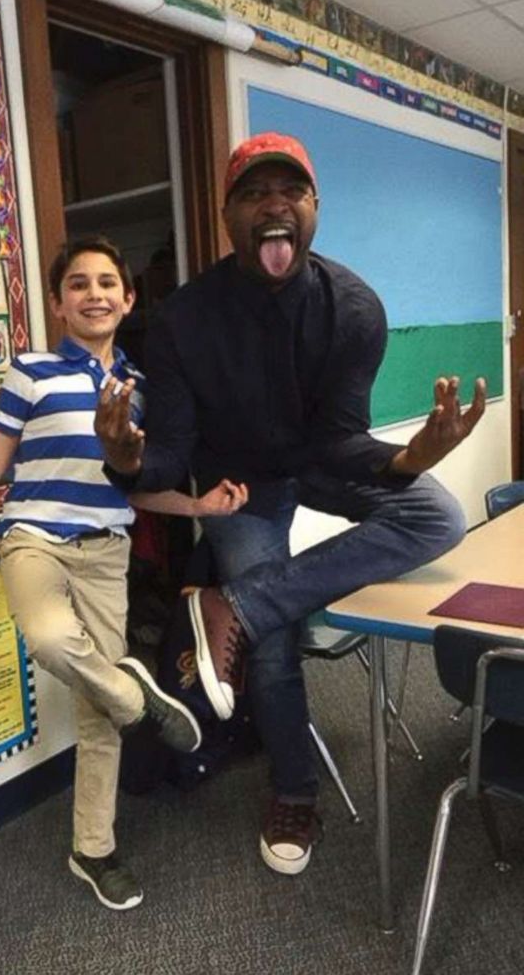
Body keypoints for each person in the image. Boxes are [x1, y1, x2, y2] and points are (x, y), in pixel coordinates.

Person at [95, 132, 487, 879]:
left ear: (313, 208)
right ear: (226, 215)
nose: (274, 205)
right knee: (273, 639)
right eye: (253, 194)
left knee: (438, 513)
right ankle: (295, 790)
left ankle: (232, 606)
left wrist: (411, 460)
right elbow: (174, 452)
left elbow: (341, 439)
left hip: (318, 460)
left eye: (291, 192)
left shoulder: (354, 308)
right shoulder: (184, 318)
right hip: (241, 485)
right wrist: (128, 456)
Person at [0, 236, 248, 912]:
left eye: (107, 283)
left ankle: (93, 848)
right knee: (52, 641)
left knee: (94, 713)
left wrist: (198, 506)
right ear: (60, 304)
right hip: (34, 540)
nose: (95, 293)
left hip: (107, 552)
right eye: (79, 284)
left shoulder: (141, 390)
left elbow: (135, 487)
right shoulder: (30, 372)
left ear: (127, 298)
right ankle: (138, 702)